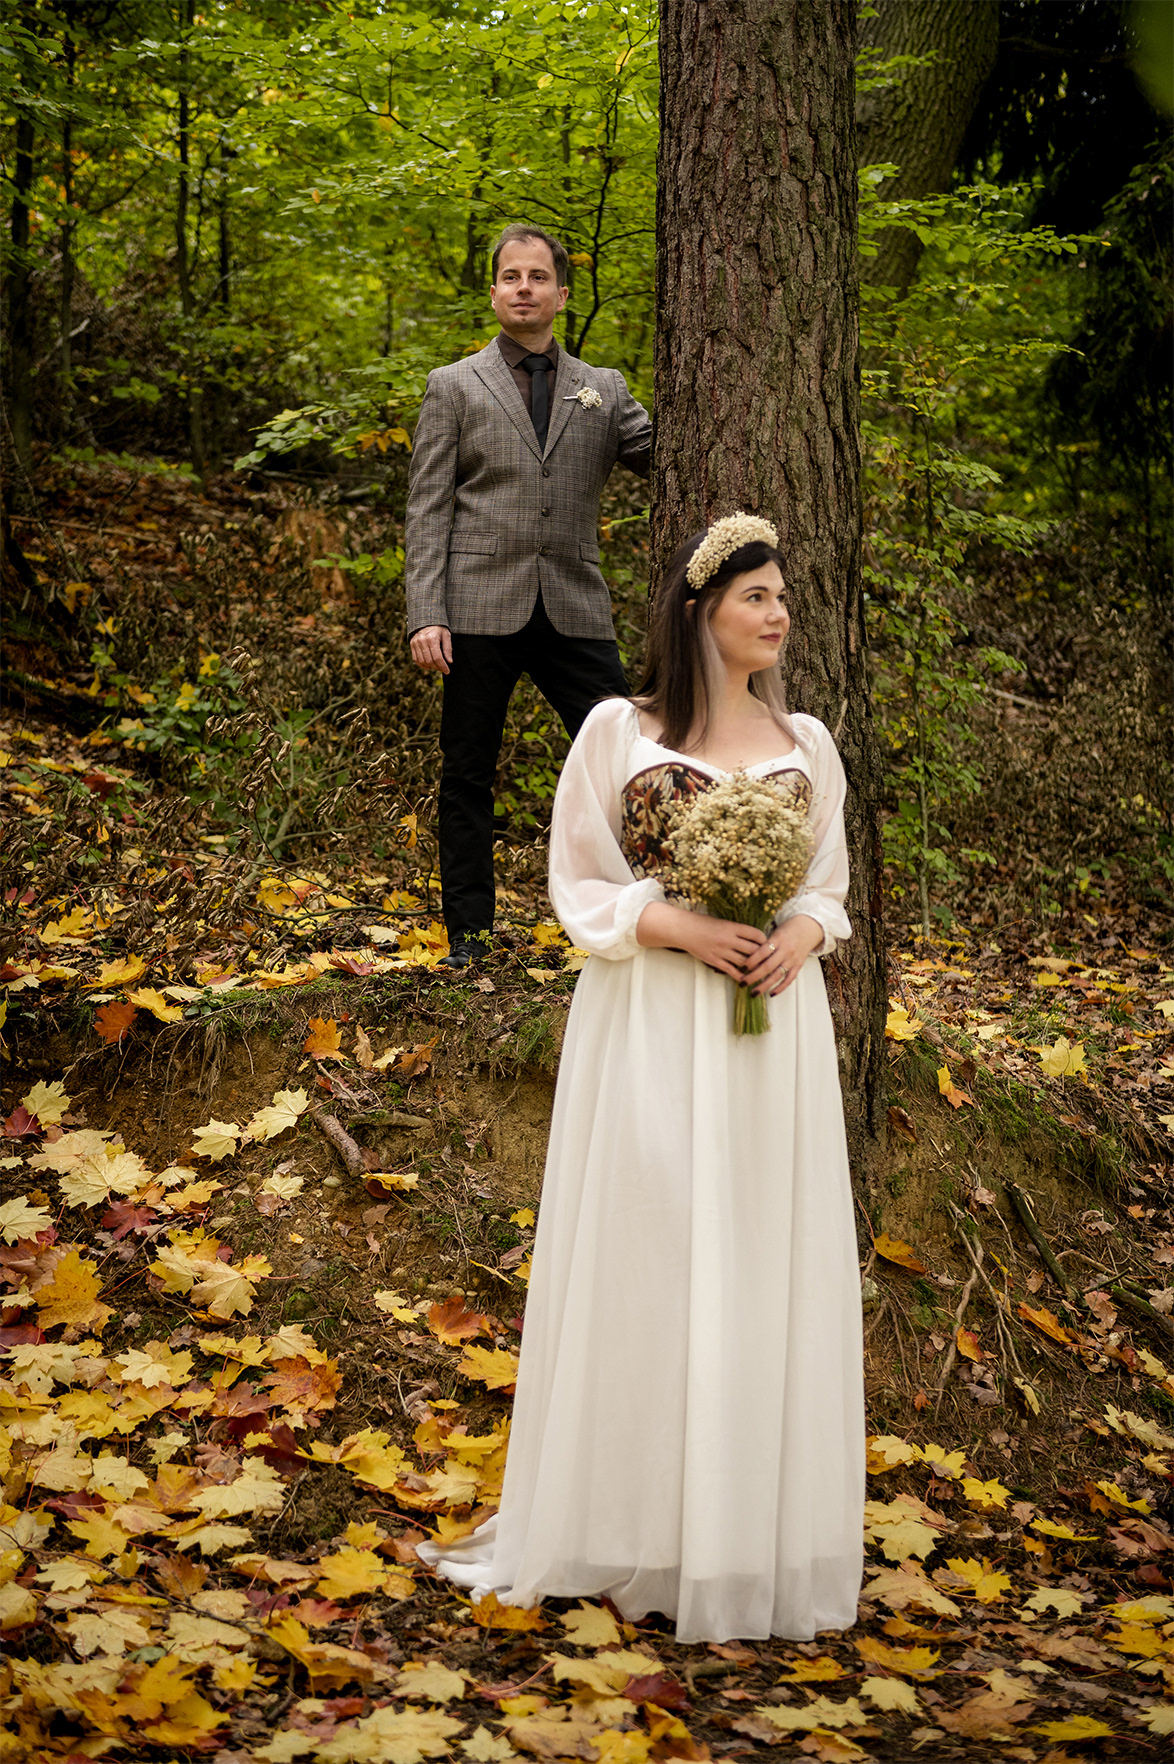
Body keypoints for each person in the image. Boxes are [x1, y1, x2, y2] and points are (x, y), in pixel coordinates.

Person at [418, 513, 865, 1643]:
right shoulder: (619, 729)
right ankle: (632, 1523)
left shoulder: (807, 742)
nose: (777, 614)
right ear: (701, 608)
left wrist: (795, 936)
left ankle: (743, 1538)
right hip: (652, 1025)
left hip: (771, 1032)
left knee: (757, 1258)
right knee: (654, 1254)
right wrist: (677, 924)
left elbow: (827, 886)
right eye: (756, 596)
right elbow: (575, 876)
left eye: (782, 597)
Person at [405, 222, 652, 969]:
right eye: (511, 277)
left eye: (538, 277)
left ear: (562, 294)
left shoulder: (604, 389)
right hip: (477, 606)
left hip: (575, 604)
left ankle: (634, 922)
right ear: (493, 292)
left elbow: (670, 456)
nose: (524, 288)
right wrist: (426, 613)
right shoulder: (454, 385)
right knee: (467, 773)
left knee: (628, 762)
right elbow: (428, 507)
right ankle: (470, 939)